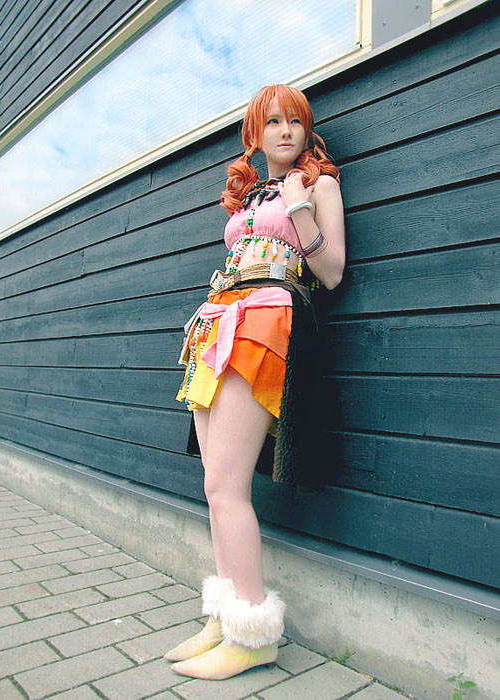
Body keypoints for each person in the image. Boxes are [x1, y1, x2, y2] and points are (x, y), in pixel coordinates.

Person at [165, 84, 345, 680]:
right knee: (212, 482)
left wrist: (299, 208)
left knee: (228, 484)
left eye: (295, 121)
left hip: (267, 318)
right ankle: (226, 618)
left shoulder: (317, 185)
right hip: (218, 321)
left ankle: (254, 638)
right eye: (273, 122)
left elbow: (332, 272)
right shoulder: (247, 195)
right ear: (255, 134)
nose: (286, 131)